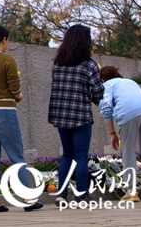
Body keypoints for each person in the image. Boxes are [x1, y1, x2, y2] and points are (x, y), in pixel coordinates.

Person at [0, 26, 42, 213]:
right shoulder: (7, 60)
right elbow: (14, 87)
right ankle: (27, 197)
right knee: (16, 155)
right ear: (4, 39)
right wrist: (18, 96)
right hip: (3, 113)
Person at [47, 24, 104, 201]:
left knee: (67, 154)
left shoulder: (57, 64)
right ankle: (81, 196)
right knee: (81, 156)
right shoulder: (89, 65)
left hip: (61, 115)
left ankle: (61, 194)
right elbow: (98, 92)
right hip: (81, 116)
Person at [98, 66, 141, 202]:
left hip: (128, 112)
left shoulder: (107, 85)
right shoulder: (130, 82)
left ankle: (131, 191)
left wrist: (112, 133)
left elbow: (106, 108)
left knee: (128, 151)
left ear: (102, 79)